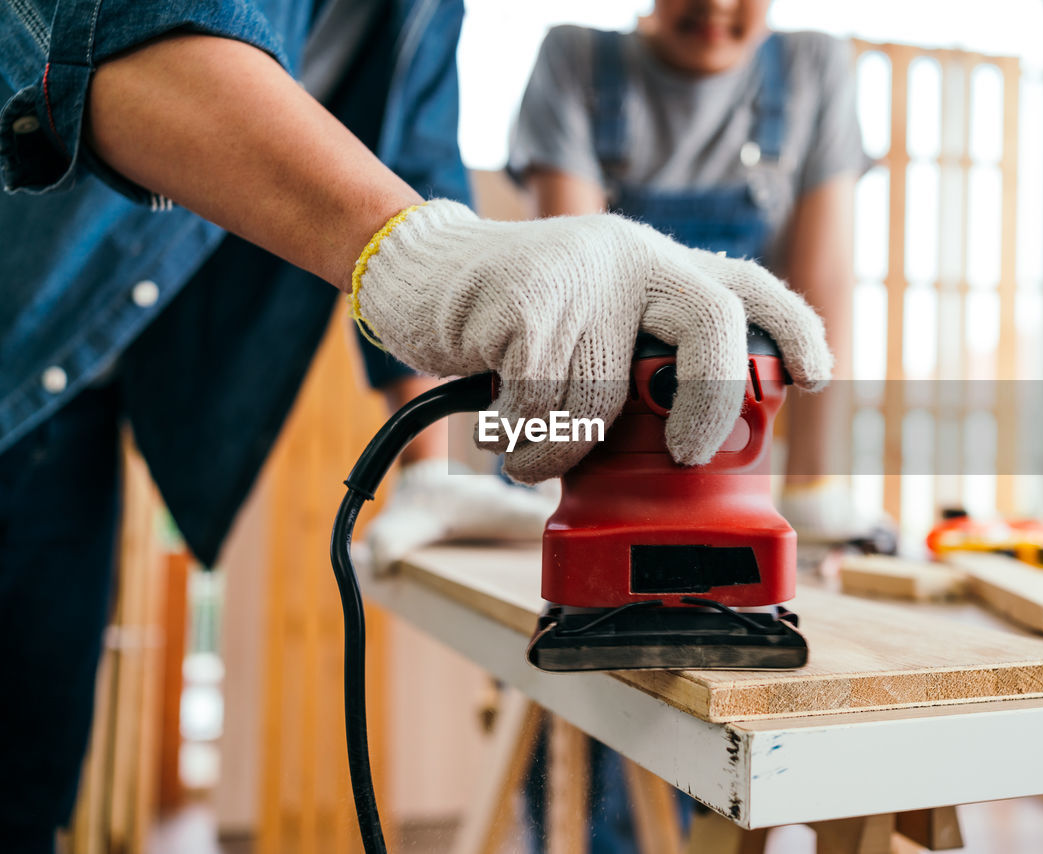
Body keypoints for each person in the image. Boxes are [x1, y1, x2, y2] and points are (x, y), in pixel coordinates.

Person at [0, 2, 834, 851]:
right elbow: (126, 33)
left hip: (72, 401)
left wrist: (431, 467)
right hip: (16, 335)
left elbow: (416, 168)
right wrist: (425, 255)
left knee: (23, 790)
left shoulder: (430, 14)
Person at [508, 0, 870, 543]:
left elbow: (823, 290)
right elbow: (580, 281)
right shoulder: (575, 57)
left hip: (735, 439)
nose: (717, 5)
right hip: (598, 428)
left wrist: (814, 486)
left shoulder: (814, 66)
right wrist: (564, 484)